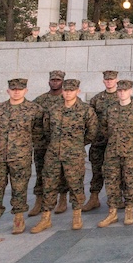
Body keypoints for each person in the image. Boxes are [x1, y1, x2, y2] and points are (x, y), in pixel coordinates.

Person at [0, 78, 43, 238]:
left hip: (20, 157)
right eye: (13, 89)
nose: (16, 91)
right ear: (8, 91)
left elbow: (38, 133)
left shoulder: (35, 110)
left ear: (26, 91)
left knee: (19, 188)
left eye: (20, 89)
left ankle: (18, 219)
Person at [32, 79, 97, 233]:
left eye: (71, 90)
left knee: (75, 185)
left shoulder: (86, 110)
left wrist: (76, 144)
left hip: (74, 155)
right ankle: (45, 218)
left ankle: (76, 216)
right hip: (53, 154)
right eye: (66, 90)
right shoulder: (53, 110)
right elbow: (47, 131)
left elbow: (92, 133)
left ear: (77, 91)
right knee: (49, 185)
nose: (68, 93)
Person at [98, 79, 133, 227]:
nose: (122, 93)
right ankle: (112, 212)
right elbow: (103, 128)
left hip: (131, 152)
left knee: (130, 181)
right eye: (120, 91)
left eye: (125, 90)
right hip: (112, 152)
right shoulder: (110, 109)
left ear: (131, 91)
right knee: (111, 181)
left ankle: (129, 210)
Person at [30, 70, 69, 216]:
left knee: (62, 172)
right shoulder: (40, 101)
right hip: (42, 144)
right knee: (41, 172)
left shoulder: (66, 100)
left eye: (58, 80)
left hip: (60, 143)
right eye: (53, 80)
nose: (55, 82)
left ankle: (63, 199)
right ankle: (39, 201)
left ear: (63, 82)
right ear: (48, 82)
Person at [85, 70, 121, 213]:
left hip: (115, 142)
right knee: (96, 170)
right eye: (106, 80)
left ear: (116, 80)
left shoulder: (122, 97)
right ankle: (94, 198)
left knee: (117, 171)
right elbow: (89, 120)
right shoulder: (96, 99)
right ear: (103, 81)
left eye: (111, 79)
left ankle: (117, 198)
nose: (109, 82)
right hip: (99, 142)